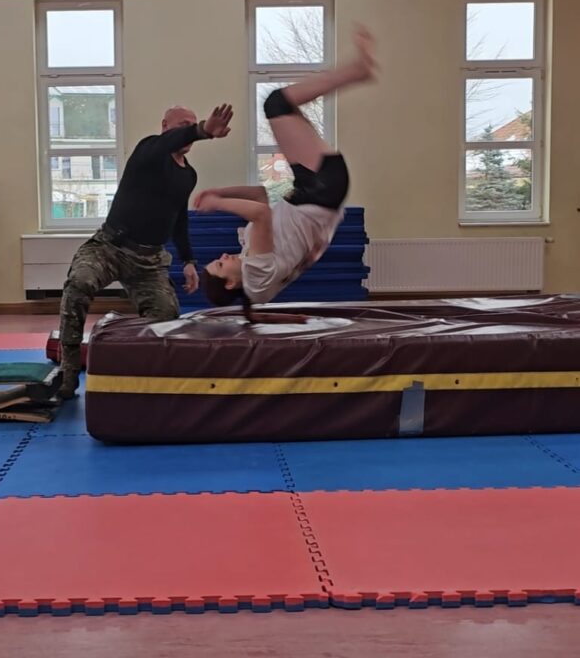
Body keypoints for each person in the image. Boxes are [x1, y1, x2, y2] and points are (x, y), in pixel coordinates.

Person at [197, 27, 376, 316]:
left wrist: (221, 191)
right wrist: (218, 202)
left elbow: (260, 196)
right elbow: (261, 213)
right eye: (220, 264)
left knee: (284, 107)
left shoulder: (253, 271)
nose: (223, 255)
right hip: (320, 191)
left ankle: (357, 71)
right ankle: (357, 71)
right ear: (230, 283)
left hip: (314, 190)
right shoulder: (255, 276)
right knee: (276, 104)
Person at [58, 103, 233, 397]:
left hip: (148, 262)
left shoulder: (188, 175)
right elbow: (169, 143)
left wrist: (188, 260)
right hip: (109, 248)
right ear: (165, 126)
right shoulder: (149, 150)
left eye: (191, 124)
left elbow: (179, 218)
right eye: (182, 125)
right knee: (79, 283)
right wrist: (202, 129)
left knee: (167, 315)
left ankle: (130, 362)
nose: (187, 131)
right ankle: (68, 370)